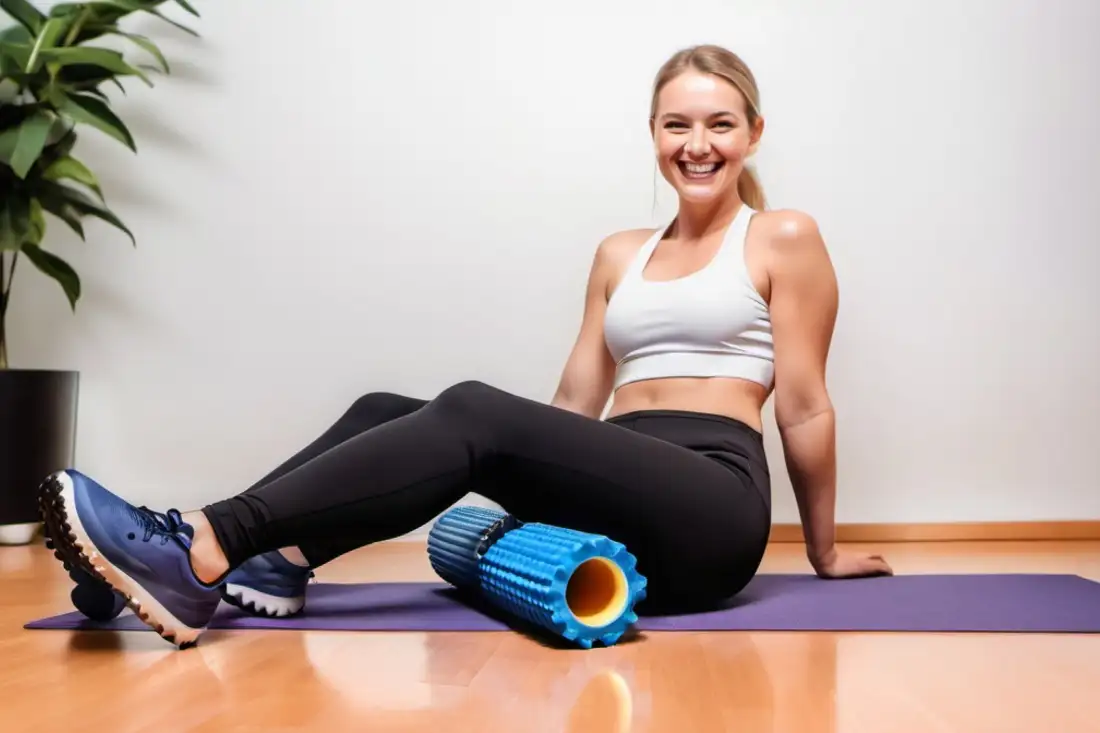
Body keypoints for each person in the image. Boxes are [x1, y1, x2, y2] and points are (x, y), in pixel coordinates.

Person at [39, 43, 892, 649]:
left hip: (710, 506)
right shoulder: (619, 252)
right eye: (676, 124)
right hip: (621, 479)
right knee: (391, 409)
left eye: (718, 125)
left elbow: (808, 402)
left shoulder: (781, 235)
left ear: (753, 133)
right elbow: (570, 410)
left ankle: (201, 541)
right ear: (653, 131)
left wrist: (821, 549)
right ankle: (266, 563)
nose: (696, 145)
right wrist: (509, 457)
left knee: (474, 409)